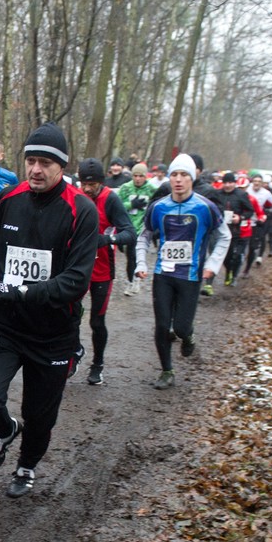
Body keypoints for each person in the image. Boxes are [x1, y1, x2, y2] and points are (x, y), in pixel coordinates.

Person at [0, 123, 98, 497]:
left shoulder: (81, 210)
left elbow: (75, 281)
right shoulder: (9, 199)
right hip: (5, 325)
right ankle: (6, 431)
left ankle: (26, 466)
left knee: (40, 415)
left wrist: (21, 292)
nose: (36, 170)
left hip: (53, 334)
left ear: (61, 166)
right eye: (31, 161)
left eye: (45, 162)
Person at [133, 153, 229, 390]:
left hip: (191, 276)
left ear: (192, 178)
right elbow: (143, 237)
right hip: (163, 275)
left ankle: (188, 336)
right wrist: (141, 263)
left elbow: (225, 236)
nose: (178, 180)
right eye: (174, 174)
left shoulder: (205, 207)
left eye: (183, 175)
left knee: (182, 327)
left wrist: (212, 266)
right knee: (162, 326)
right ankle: (167, 370)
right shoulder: (158, 207)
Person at [76, 158, 135, 386]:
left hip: (102, 270)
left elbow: (130, 233)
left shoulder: (110, 199)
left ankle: (97, 364)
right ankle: (73, 354)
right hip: (77, 268)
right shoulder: (76, 196)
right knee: (68, 315)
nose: (88, 188)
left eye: (93, 184)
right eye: (84, 183)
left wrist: (107, 239)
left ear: (101, 182)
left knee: (96, 321)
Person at [115, 163, 155, 296]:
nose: (138, 179)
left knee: (134, 256)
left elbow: (158, 204)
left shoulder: (151, 189)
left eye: (141, 176)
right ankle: (132, 279)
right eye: (135, 176)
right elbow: (117, 206)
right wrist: (131, 204)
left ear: (146, 176)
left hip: (142, 228)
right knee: (129, 256)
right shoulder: (126, 188)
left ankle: (133, 281)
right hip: (127, 227)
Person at [214, 172, 255, 286]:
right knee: (226, 256)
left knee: (237, 255)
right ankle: (228, 271)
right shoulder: (217, 194)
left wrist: (240, 217)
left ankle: (234, 275)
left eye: (230, 183)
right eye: (225, 182)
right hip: (222, 229)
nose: (227, 185)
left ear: (234, 183)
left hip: (237, 230)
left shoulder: (241, 195)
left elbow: (250, 211)